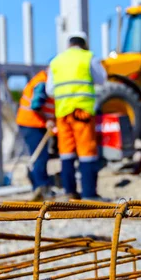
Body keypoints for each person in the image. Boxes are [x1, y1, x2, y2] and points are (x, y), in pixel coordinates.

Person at [46, 31, 107, 200]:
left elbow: (49, 90)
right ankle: (89, 193)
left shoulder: (56, 61)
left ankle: (70, 193)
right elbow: (102, 78)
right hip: (82, 113)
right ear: (84, 44)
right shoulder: (88, 58)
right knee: (87, 152)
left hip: (63, 113)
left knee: (66, 153)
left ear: (68, 45)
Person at [16, 69, 55, 200]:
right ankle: (41, 187)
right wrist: (47, 120)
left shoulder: (41, 79)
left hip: (31, 123)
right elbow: (36, 105)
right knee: (40, 156)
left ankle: (40, 186)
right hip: (32, 124)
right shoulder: (42, 82)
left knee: (38, 156)